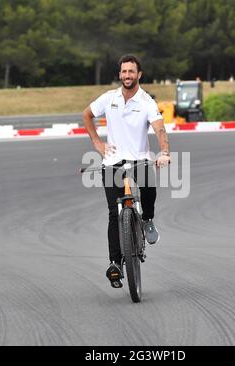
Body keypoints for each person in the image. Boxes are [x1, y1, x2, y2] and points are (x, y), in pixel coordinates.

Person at [82, 55, 170, 288]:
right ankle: (115, 263)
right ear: (119, 74)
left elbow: (159, 129)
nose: (127, 76)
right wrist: (97, 144)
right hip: (112, 161)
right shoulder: (109, 98)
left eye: (131, 71)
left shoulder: (146, 101)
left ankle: (148, 219)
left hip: (139, 158)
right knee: (114, 213)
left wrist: (164, 152)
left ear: (139, 75)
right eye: (123, 72)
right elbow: (87, 115)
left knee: (149, 187)